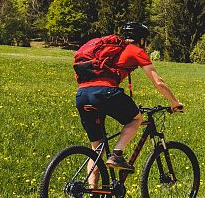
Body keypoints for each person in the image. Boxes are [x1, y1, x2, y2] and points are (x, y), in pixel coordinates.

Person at [75, 21, 183, 188]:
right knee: (135, 119)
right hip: (105, 93)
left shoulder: (111, 51)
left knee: (96, 150)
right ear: (141, 40)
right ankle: (117, 154)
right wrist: (174, 102)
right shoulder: (136, 51)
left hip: (82, 95)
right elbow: (158, 82)